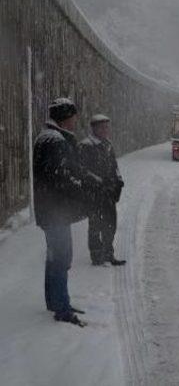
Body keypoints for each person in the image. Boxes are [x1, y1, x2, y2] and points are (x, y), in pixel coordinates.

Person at [33, 98, 103, 327]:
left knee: (54, 258)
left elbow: (66, 171)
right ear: (64, 117)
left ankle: (55, 302)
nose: (76, 121)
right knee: (61, 259)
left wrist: (88, 178)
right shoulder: (55, 141)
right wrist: (85, 190)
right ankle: (62, 309)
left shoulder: (46, 137)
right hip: (55, 211)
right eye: (73, 116)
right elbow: (62, 178)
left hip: (49, 209)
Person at [78, 114, 126, 267]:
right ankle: (97, 255)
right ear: (94, 128)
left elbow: (114, 166)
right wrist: (99, 182)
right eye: (102, 127)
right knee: (95, 225)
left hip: (109, 193)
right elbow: (83, 171)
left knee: (110, 224)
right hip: (94, 194)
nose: (106, 130)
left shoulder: (107, 144)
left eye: (107, 127)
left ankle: (108, 254)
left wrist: (118, 182)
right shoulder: (86, 146)